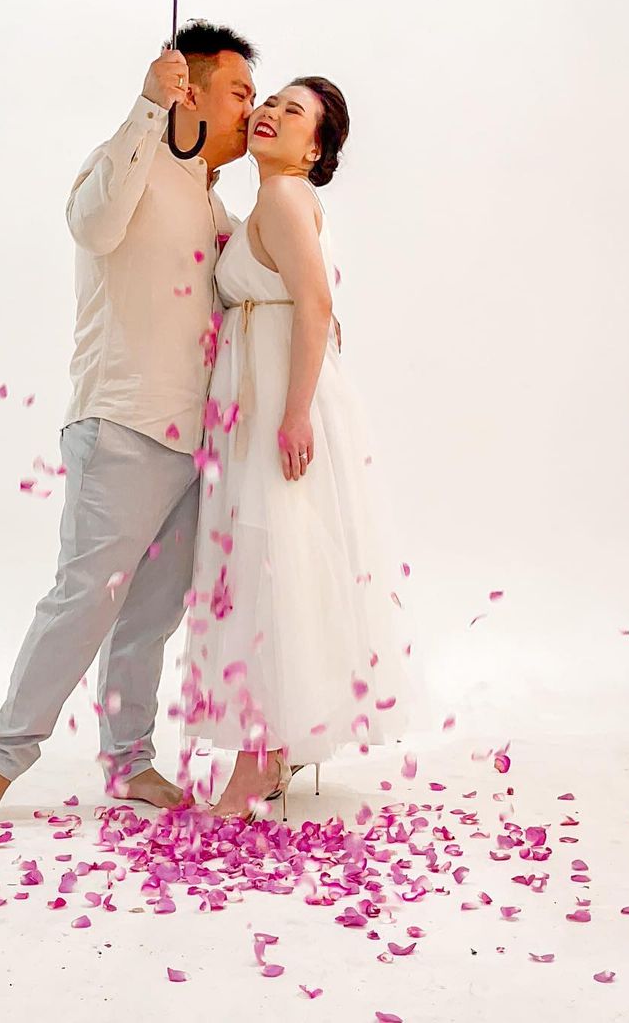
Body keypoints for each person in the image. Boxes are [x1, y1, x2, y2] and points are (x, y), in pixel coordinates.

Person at [0, 21, 259, 830]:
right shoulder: (125, 159)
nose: (251, 110)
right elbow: (92, 226)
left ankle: (129, 761)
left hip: (192, 440)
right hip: (121, 423)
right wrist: (147, 107)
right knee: (84, 600)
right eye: (239, 92)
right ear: (189, 89)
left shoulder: (210, 199)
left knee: (152, 616)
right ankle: (2, 761)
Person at [178, 77, 423, 819]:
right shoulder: (271, 202)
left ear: (314, 149)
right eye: (272, 103)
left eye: (294, 113)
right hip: (264, 393)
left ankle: (258, 759)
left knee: (267, 561)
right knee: (270, 561)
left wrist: (293, 416)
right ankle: (272, 746)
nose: (272, 115)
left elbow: (315, 303)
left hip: (279, 402)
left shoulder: (285, 196)